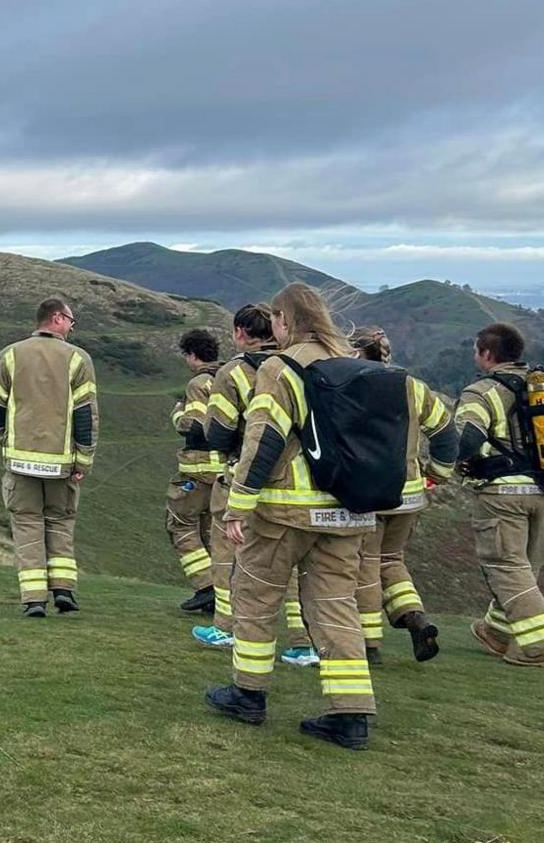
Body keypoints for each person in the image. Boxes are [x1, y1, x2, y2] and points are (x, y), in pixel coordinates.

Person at [205, 282, 377, 751]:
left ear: (283, 321)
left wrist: (239, 503)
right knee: (336, 608)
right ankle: (352, 712)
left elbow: (264, 440)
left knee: (256, 597)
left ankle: (248, 694)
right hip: (347, 508)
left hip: (286, 510)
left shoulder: (283, 368)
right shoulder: (353, 366)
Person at [456, 323, 544, 670]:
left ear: (486, 353)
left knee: (506, 567)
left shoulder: (481, 392)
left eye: (476, 350)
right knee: (524, 569)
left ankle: (542, 647)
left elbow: (466, 439)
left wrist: (451, 465)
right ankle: (497, 632)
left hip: (501, 494)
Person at [193, 304, 316, 667]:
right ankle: (303, 641)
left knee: (229, 555)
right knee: (292, 565)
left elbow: (217, 433)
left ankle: (227, 627)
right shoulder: (300, 367)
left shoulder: (233, 373)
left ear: (240, 333)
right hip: (298, 482)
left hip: (243, 477)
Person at [349, 327, 457, 664]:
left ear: (354, 352)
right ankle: (414, 617)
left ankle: (368, 644)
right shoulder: (413, 386)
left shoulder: (347, 385)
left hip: (366, 491)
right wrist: (437, 474)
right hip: (408, 493)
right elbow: (444, 431)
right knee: (391, 560)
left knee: (364, 564)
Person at [0, 297, 98, 617]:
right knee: (61, 522)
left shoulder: (10, 354)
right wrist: (84, 459)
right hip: (62, 462)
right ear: (58, 319)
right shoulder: (78, 359)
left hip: (20, 461)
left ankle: (34, 599)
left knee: (27, 525)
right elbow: (85, 414)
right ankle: (64, 591)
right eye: (72, 322)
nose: (73, 328)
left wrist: (1, 438)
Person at [170, 329, 223, 614]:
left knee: (179, 524)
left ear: (192, 355)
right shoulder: (229, 376)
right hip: (225, 470)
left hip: (198, 469)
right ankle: (220, 593)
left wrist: (178, 413)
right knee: (211, 532)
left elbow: (195, 426)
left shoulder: (199, 383)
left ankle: (206, 587)